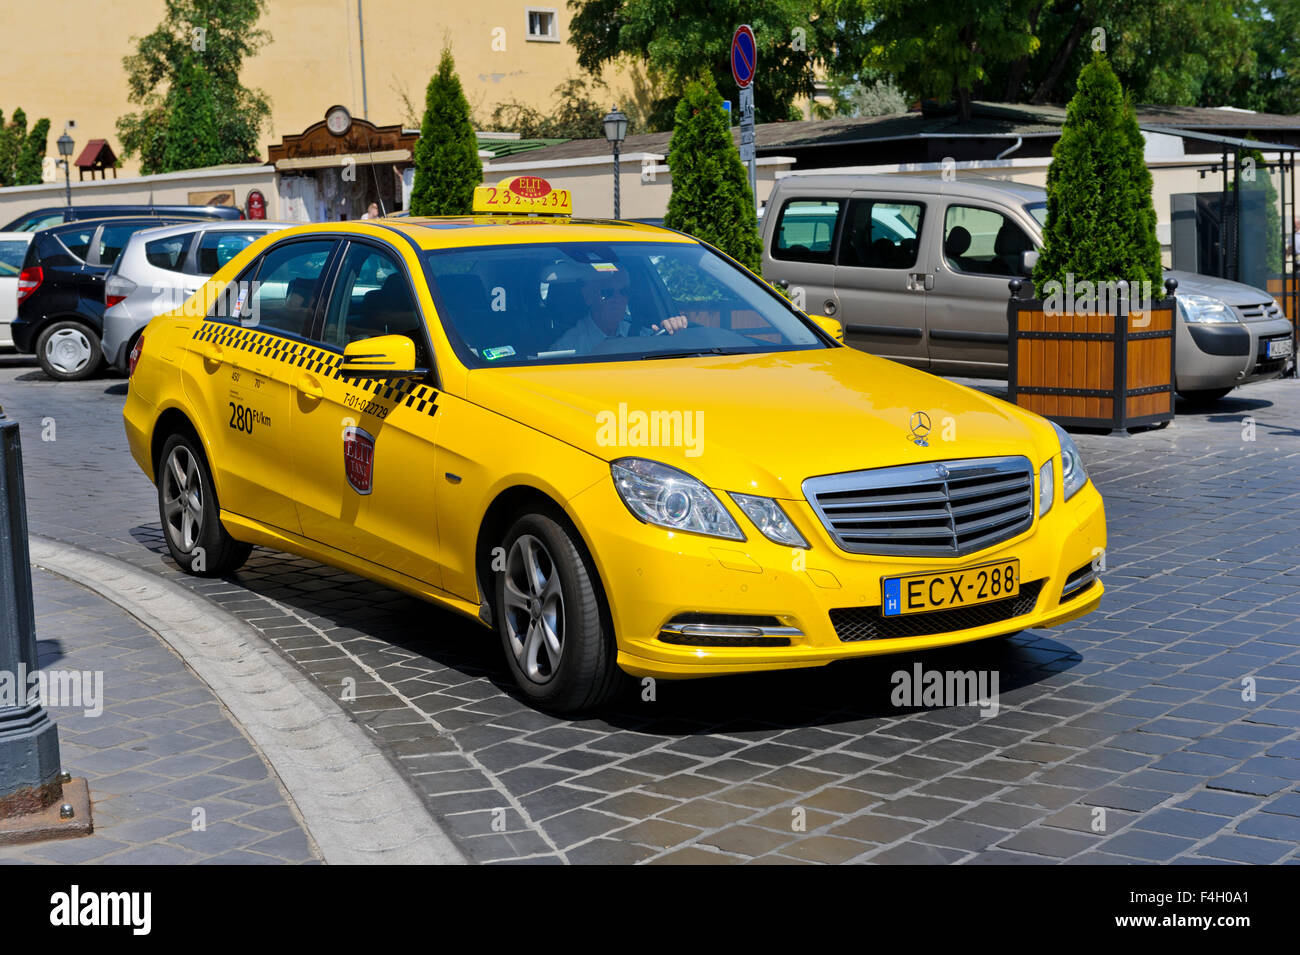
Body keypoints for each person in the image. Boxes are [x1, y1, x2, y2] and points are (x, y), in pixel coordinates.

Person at [548, 262, 686, 352]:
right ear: (589, 297)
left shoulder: (640, 334)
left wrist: (675, 330)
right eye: (607, 292)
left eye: (624, 292)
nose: (617, 298)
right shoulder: (567, 347)